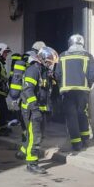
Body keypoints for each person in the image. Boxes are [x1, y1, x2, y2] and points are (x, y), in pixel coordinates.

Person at [18, 46, 58, 174]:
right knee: (35, 137)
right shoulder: (33, 70)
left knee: (36, 136)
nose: (51, 65)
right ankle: (32, 164)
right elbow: (27, 90)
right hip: (32, 110)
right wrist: (35, 109)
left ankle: (24, 153)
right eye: (50, 62)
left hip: (40, 110)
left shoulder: (43, 71)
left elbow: (46, 91)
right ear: (43, 59)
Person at [55, 34, 94, 151]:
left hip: (67, 92)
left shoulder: (62, 55)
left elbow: (57, 74)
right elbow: (93, 74)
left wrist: (61, 85)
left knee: (71, 117)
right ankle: (85, 139)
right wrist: (87, 84)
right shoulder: (88, 56)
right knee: (82, 113)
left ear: (70, 43)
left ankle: (76, 144)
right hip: (82, 91)